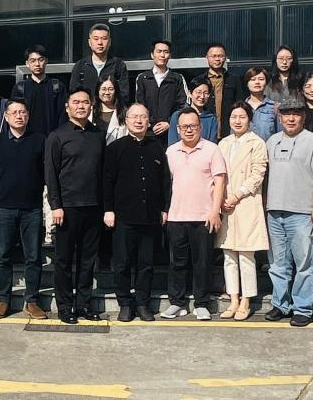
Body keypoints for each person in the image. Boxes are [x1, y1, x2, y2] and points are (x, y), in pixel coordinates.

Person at [262, 97, 313, 327]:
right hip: (274, 211)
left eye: (296, 114)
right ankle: (280, 304)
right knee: (277, 264)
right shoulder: (272, 141)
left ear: (303, 117)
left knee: (304, 263)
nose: (291, 118)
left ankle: (302, 308)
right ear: (280, 117)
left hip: (302, 212)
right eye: (286, 114)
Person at [102, 104, 170, 322]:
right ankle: (124, 302)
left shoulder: (157, 147)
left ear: (149, 121)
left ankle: (142, 303)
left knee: (146, 264)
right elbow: (107, 182)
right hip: (123, 216)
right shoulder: (115, 148)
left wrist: (164, 208)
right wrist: (108, 209)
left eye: (143, 117)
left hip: (150, 216)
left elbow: (164, 181)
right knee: (122, 263)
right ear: (126, 120)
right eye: (134, 117)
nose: (139, 121)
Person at [160, 108, 226, 321]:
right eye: (184, 127)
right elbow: (166, 184)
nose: (189, 130)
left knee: (202, 262)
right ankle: (177, 302)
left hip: (203, 216)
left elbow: (220, 182)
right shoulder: (171, 151)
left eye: (193, 126)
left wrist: (215, 211)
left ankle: (201, 303)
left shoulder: (212, 149)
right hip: (176, 216)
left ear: (200, 127)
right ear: (178, 129)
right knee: (176, 263)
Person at [46, 88, 105, 324]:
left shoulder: (98, 135)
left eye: (85, 102)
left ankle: (83, 305)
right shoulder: (57, 136)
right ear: (67, 107)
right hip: (67, 208)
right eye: (76, 102)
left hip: (93, 205)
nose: (81, 106)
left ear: (91, 106)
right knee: (63, 260)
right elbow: (51, 174)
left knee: (87, 260)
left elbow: (103, 172)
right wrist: (55, 205)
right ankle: (64, 306)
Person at [0, 100, 49, 319]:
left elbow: (45, 170)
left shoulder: (39, 140)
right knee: (3, 256)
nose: (19, 116)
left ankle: (31, 300)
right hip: (4, 207)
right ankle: (4, 300)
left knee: (33, 256)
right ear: (6, 116)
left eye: (23, 112)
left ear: (28, 116)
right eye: (14, 113)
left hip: (32, 208)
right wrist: (2, 185)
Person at [215, 102, 269, 321]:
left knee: (246, 255)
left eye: (242, 117)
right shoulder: (223, 143)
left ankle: (246, 300)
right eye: (234, 117)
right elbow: (217, 174)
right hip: (225, 204)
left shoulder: (257, 143)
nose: (237, 121)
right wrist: (221, 200)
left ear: (250, 120)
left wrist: (236, 196)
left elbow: (258, 175)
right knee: (229, 255)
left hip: (246, 201)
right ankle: (233, 299)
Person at [134, 40, 187, 140]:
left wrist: (169, 123)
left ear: (170, 55)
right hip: (148, 131)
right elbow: (139, 104)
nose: (162, 55)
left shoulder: (178, 78)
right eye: (159, 51)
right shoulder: (143, 78)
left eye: (166, 52)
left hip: (171, 132)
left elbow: (183, 105)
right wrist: (150, 123)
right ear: (152, 55)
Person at [11, 45, 68, 136]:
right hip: (27, 138)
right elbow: (14, 114)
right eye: (33, 60)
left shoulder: (57, 86)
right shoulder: (20, 88)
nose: (37, 64)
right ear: (27, 63)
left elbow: (63, 115)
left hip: (52, 138)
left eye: (41, 60)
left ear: (46, 61)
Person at [70, 23, 130, 107]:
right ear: (89, 42)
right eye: (96, 39)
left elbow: (124, 95)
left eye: (104, 39)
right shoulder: (80, 66)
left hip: (112, 111)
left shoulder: (118, 65)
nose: (100, 43)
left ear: (109, 42)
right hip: (88, 112)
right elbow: (74, 94)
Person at [202, 43, 243, 138]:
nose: (217, 59)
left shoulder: (234, 80)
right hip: (206, 130)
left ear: (225, 58)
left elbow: (240, 104)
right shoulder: (199, 80)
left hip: (228, 131)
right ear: (207, 57)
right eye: (213, 56)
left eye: (220, 56)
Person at [167, 76, 218, 146]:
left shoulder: (211, 118)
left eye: (205, 93)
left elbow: (212, 145)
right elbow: (172, 143)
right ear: (190, 93)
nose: (202, 96)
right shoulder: (177, 116)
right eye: (198, 92)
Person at [244, 67, 281, 140]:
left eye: (261, 79)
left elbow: (280, 135)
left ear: (266, 83)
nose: (257, 82)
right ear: (247, 83)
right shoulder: (240, 108)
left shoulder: (275, 107)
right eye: (253, 79)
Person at [92, 76, 128, 143]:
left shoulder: (124, 113)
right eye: (103, 89)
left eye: (111, 89)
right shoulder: (90, 112)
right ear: (98, 91)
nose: (107, 93)